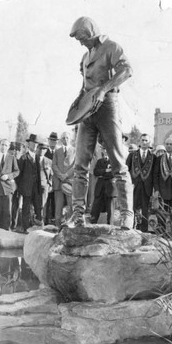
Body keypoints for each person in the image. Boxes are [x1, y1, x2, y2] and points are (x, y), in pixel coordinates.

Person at [67, 16, 134, 229]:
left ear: (91, 32)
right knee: (80, 164)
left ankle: (127, 215)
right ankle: (77, 215)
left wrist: (104, 89)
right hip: (88, 110)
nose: (81, 43)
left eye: (82, 38)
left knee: (117, 162)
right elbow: (85, 84)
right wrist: (79, 101)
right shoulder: (85, 56)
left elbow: (127, 70)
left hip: (108, 106)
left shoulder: (111, 47)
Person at [128, 133, 155, 232]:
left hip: (147, 186)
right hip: (134, 186)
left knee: (145, 209)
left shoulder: (153, 157)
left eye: (146, 140)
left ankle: (144, 231)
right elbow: (127, 170)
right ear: (139, 141)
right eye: (142, 140)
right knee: (133, 207)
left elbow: (154, 174)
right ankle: (131, 228)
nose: (144, 142)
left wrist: (154, 189)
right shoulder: (132, 155)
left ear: (149, 142)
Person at [16, 134, 44, 231]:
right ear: (29, 144)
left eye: (36, 144)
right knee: (26, 208)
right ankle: (25, 228)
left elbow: (38, 174)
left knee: (38, 207)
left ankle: (38, 228)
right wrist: (21, 188)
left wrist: (39, 188)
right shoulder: (23, 157)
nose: (35, 145)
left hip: (36, 188)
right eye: (33, 143)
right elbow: (18, 174)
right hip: (26, 188)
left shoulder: (37, 157)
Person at [52, 131, 75, 227]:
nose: (65, 140)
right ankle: (57, 228)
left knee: (70, 206)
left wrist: (66, 175)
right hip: (58, 182)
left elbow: (76, 166)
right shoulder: (57, 151)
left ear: (70, 139)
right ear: (61, 140)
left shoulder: (75, 151)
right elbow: (54, 165)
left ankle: (70, 228)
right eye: (63, 138)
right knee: (58, 207)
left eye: (67, 138)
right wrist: (60, 175)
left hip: (70, 182)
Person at [90, 144, 116, 224]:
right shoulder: (99, 161)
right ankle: (92, 225)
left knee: (110, 209)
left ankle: (110, 227)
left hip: (110, 188)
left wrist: (103, 174)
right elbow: (95, 172)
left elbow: (113, 173)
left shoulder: (114, 161)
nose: (106, 151)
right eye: (104, 149)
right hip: (100, 187)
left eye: (107, 149)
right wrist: (105, 171)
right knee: (95, 207)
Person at [37, 141, 53, 223]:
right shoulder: (33, 158)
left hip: (44, 185)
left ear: (46, 150)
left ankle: (42, 222)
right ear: (37, 149)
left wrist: (49, 184)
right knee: (33, 205)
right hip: (34, 186)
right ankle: (32, 222)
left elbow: (52, 175)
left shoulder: (49, 161)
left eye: (44, 149)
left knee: (43, 205)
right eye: (40, 148)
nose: (42, 151)